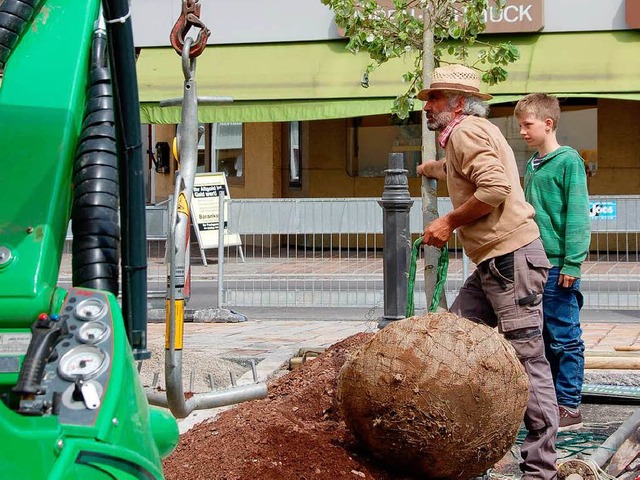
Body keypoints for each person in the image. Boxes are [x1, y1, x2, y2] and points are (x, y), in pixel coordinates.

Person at [416, 64, 558, 479]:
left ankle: (540, 470)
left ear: (458, 104)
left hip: (510, 258)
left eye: (435, 99)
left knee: (528, 359)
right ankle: (457, 440)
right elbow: (465, 170)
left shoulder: (465, 133)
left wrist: (447, 222)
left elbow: (493, 188)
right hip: (499, 260)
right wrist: (431, 169)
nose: (427, 106)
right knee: (455, 338)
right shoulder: (473, 132)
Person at [515, 93, 591, 431]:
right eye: (520, 125)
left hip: (558, 265)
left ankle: (569, 405)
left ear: (548, 124)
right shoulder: (532, 163)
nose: (522, 131)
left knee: (565, 337)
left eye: (527, 125)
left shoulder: (567, 161)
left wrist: (573, 264)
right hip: (534, 262)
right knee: (542, 337)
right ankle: (548, 403)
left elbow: (577, 215)